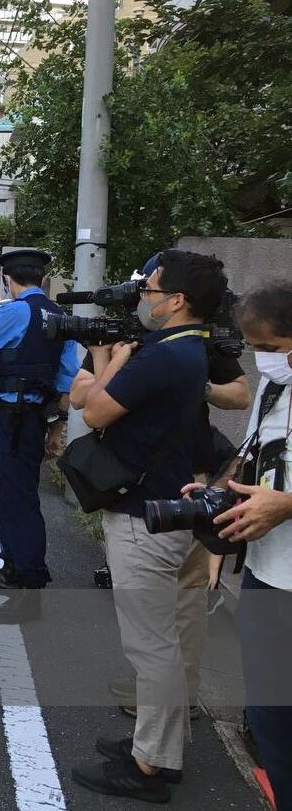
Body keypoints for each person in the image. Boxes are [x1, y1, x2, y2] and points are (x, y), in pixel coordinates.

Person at [68, 249, 226, 803]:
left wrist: (104, 355)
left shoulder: (162, 357)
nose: (144, 298)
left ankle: (150, 766)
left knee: (151, 647)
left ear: (177, 300)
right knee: (172, 637)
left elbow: (93, 412)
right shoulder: (193, 350)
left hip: (144, 516)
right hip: (173, 507)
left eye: (152, 290)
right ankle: (160, 747)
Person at [190, 280, 292, 811]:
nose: (262, 361)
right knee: (272, 716)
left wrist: (289, 504)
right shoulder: (276, 389)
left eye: (271, 348)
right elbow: (252, 459)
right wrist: (216, 492)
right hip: (268, 574)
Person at [0, 249, 78, 622]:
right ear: (42, 278)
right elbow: (68, 378)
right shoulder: (60, 316)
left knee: (16, 498)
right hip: (38, 416)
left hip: (12, 418)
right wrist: (56, 426)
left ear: (8, 280)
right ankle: (15, 570)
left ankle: (27, 585)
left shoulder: (13, 312)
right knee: (21, 494)